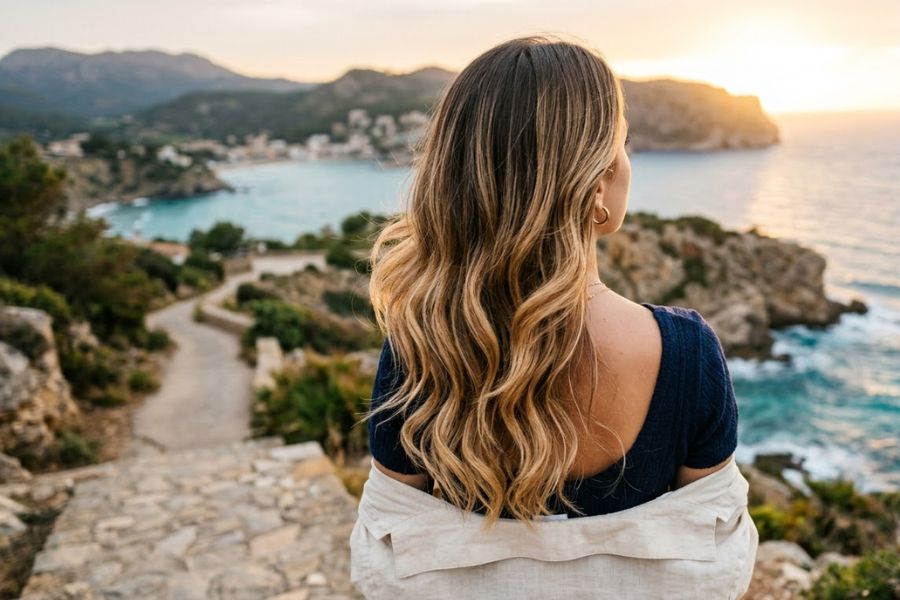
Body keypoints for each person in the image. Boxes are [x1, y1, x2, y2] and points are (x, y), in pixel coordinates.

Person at [349, 35, 758, 599]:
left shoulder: (419, 347)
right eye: (623, 141)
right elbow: (716, 553)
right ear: (596, 183)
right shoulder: (686, 352)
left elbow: (388, 548)